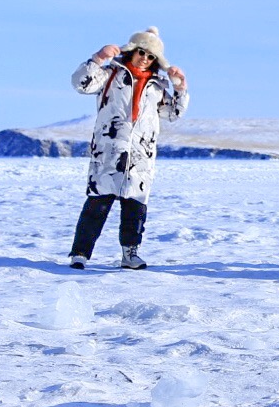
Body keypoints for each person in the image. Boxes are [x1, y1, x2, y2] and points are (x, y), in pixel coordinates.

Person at [65, 27, 187, 270]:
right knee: (96, 205)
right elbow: (81, 84)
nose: (145, 58)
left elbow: (172, 113)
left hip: (140, 156)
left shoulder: (157, 86)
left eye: (151, 56)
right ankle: (80, 254)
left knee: (135, 208)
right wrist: (98, 59)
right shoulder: (111, 74)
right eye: (141, 52)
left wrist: (181, 88)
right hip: (109, 153)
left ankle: (130, 254)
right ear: (132, 50)